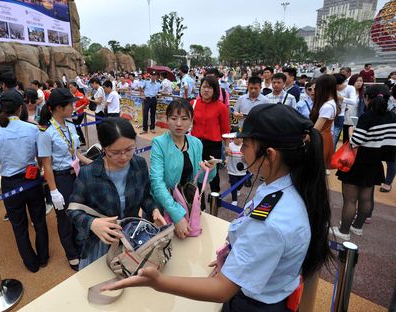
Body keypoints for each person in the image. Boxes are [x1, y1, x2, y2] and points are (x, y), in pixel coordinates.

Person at [103, 104, 332, 312]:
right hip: (252, 284)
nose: (239, 151)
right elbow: (158, 182)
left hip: (253, 303)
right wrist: (234, 258)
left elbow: (223, 289)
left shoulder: (272, 223)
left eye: (245, 144)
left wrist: (158, 282)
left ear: (269, 154)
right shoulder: (282, 187)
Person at [67, 118, 166, 269]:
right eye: (116, 152)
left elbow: (145, 196)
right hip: (101, 242)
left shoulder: (138, 165)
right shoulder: (89, 173)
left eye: (129, 149)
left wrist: (153, 209)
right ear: (104, 148)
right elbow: (73, 209)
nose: (124, 157)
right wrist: (92, 223)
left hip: (131, 237)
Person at [0, 89, 49, 273]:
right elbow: (40, 157)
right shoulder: (32, 128)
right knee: (39, 220)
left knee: (19, 225)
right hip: (32, 181)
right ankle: (44, 257)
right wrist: (38, 169)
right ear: (20, 108)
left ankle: (30, 263)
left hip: (10, 184)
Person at [37, 88, 92, 271]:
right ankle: (72, 254)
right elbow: (46, 164)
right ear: (59, 108)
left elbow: (76, 154)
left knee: (80, 212)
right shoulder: (46, 132)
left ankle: (81, 245)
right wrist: (54, 191)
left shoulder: (70, 125)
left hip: (76, 175)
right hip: (61, 179)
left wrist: (93, 163)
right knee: (65, 219)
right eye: (70, 104)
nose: (73, 106)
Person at [332, 84, 396, 240]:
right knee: (366, 198)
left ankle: (344, 231)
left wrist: (350, 131)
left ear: (367, 98)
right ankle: (358, 227)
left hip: (357, 163)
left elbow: (355, 142)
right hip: (375, 164)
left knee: (350, 200)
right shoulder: (393, 117)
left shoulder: (366, 117)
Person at [150, 99, 215, 239]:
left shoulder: (196, 143)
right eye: (174, 118)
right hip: (164, 207)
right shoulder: (159, 143)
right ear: (167, 119)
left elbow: (202, 179)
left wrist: (210, 169)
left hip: (187, 204)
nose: (179, 124)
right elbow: (157, 183)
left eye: (184, 119)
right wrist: (177, 216)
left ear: (191, 120)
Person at [191, 76, 230, 203]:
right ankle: (198, 201)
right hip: (195, 143)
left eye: (209, 87)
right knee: (195, 172)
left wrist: (228, 147)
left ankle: (215, 198)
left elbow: (225, 129)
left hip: (213, 145)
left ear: (215, 90)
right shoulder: (193, 104)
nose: (206, 90)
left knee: (213, 174)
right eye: (204, 87)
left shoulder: (221, 107)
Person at [310, 74, 339, 171]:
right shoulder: (332, 102)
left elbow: (316, 129)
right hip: (325, 137)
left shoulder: (327, 106)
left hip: (320, 139)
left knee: (315, 169)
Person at [333, 73, 357, 145]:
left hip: (340, 115)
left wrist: (339, 98)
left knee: (335, 136)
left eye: (337, 85)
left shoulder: (350, 88)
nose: (336, 87)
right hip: (330, 114)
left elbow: (353, 102)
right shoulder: (331, 88)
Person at [227, 134, 247, 206]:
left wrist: (245, 157)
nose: (239, 140)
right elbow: (226, 154)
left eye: (241, 138)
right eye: (237, 138)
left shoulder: (245, 146)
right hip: (232, 170)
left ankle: (238, 189)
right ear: (234, 138)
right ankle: (234, 200)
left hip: (243, 170)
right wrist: (226, 153)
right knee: (233, 185)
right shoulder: (230, 145)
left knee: (241, 184)